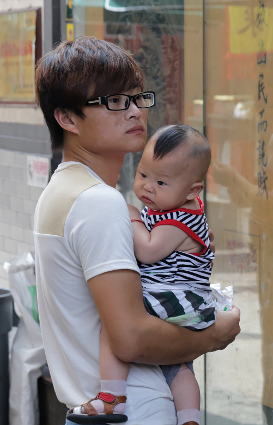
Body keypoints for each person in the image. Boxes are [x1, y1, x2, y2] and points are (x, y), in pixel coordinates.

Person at [33, 37, 241, 425]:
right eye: (114, 102)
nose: (134, 112)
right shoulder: (100, 202)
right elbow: (130, 336)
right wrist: (213, 336)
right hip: (137, 408)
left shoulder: (59, 190)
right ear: (67, 118)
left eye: (136, 98)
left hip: (92, 409)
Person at [68, 124, 217, 425]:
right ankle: (189, 419)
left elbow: (148, 251)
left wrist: (132, 218)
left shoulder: (180, 218)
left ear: (192, 190)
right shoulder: (174, 208)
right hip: (181, 298)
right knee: (178, 367)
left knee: (115, 327)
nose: (147, 187)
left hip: (177, 296)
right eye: (143, 175)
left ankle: (111, 399)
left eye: (161, 182)